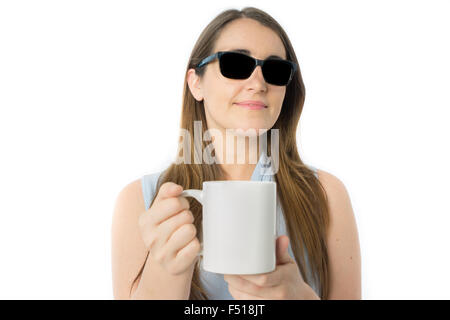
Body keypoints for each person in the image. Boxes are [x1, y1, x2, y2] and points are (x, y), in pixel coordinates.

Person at [111, 7, 361, 300]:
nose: (258, 83)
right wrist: (165, 272)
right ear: (196, 83)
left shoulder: (326, 195)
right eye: (235, 64)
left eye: (275, 70)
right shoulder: (143, 201)